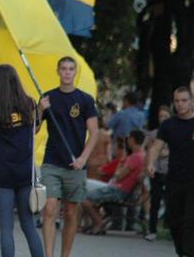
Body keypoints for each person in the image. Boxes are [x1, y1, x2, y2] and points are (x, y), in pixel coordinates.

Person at [0, 65, 44, 257]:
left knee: (6, 228)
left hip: (3, 172)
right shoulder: (30, 104)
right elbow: (35, 129)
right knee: (28, 225)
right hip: (25, 171)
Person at [38, 56, 98, 257]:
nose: (67, 72)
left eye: (70, 69)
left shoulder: (85, 100)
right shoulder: (48, 98)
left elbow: (94, 132)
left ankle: (65, 255)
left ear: (75, 72)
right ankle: (48, 255)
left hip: (76, 165)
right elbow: (34, 129)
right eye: (63, 68)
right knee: (49, 209)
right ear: (58, 71)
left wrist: (83, 158)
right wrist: (40, 110)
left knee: (71, 212)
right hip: (52, 162)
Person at [147, 87, 194, 257]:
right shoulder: (168, 125)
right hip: (173, 178)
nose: (180, 104)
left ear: (192, 102)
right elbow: (156, 147)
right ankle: (182, 252)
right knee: (174, 221)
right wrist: (151, 163)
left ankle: (188, 253)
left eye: (184, 100)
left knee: (190, 220)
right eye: (177, 101)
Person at [80, 130, 145, 234]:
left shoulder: (135, 157)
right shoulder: (142, 156)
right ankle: (95, 223)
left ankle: (99, 223)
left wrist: (119, 167)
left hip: (119, 191)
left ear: (132, 140)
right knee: (89, 194)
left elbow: (118, 176)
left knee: (84, 198)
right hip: (125, 191)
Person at [144, 105, 171, 242]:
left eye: (165, 116)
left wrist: (160, 152)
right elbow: (149, 151)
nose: (163, 119)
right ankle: (152, 229)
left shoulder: (174, 131)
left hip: (170, 171)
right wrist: (148, 166)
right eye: (161, 116)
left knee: (171, 201)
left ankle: (170, 227)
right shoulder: (153, 134)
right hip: (156, 170)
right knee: (155, 201)